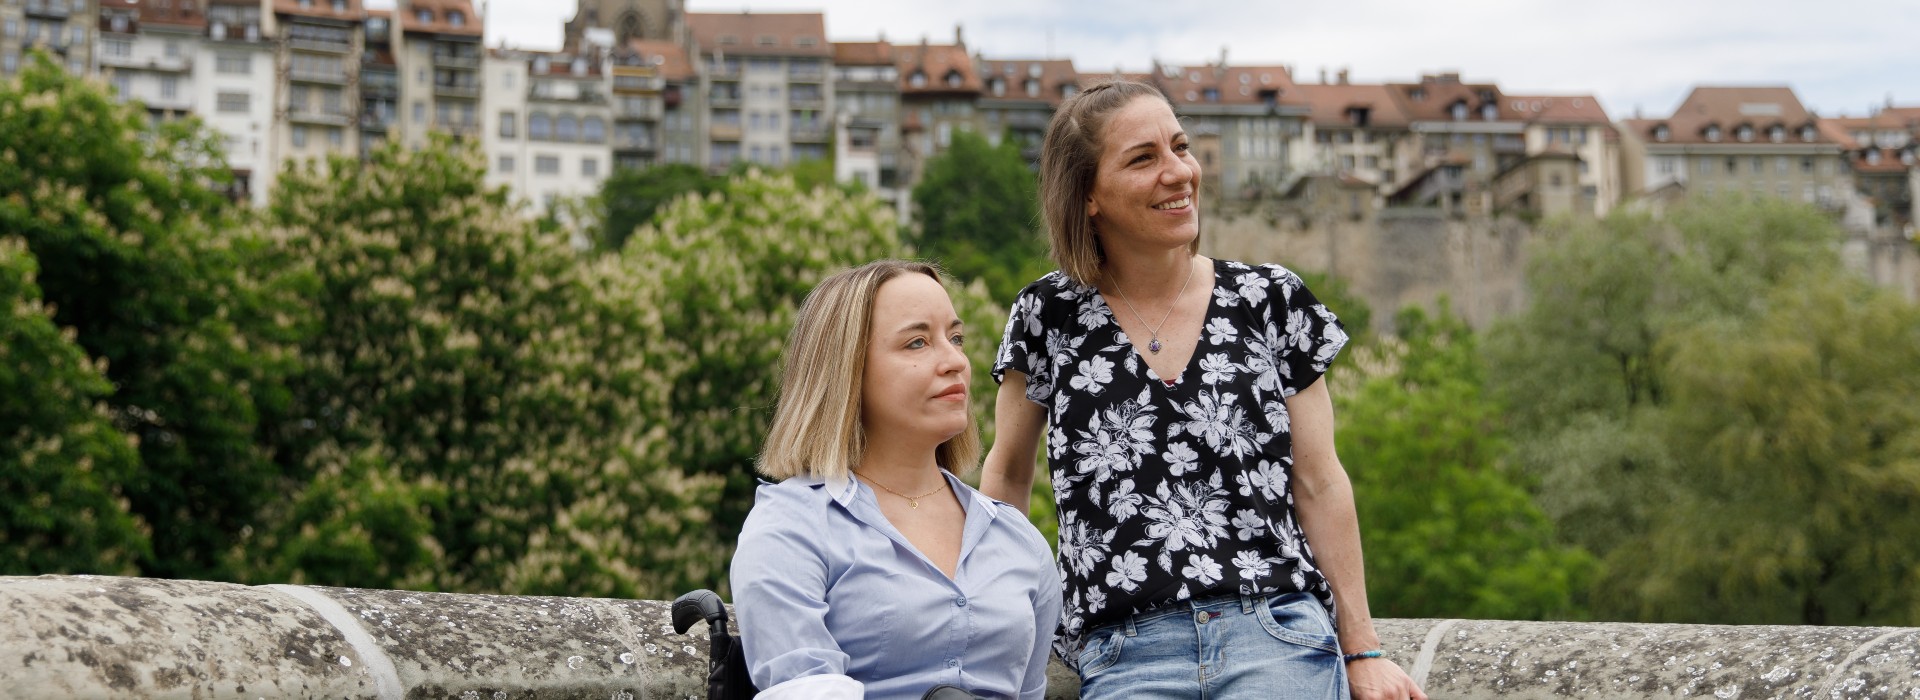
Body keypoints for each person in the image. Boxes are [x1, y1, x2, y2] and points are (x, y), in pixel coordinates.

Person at [981, 80, 1427, 700]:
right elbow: (1006, 482)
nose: (1179, 172)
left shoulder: (1270, 299)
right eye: (1143, 158)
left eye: (1181, 147)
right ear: (1087, 196)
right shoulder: (1047, 313)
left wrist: (1363, 647)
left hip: (1274, 631)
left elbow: (1320, 480)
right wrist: (1000, 643)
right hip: (1121, 648)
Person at [732, 260, 1062, 700]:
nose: (954, 361)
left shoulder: (1018, 541)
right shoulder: (791, 526)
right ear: (846, 371)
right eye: (917, 342)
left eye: (956, 338)